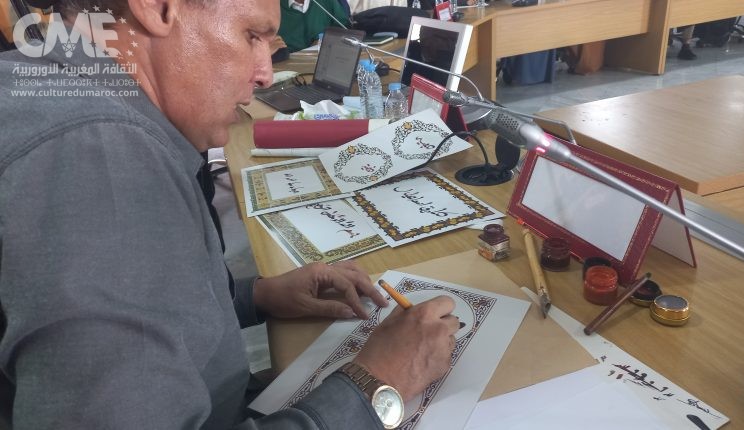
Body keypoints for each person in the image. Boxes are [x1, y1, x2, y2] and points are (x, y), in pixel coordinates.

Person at [0, 0, 459, 428]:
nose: (265, 75)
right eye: (251, 36)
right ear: (157, 7)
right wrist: (377, 384)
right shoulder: (98, 156)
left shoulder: (56, 94)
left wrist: (250, 297)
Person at [279, 0, 350, 52]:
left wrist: (324, 39)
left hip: (323, 57)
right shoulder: (276, 6)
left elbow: (343, 29)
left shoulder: (327, 2)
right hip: (286, 61)